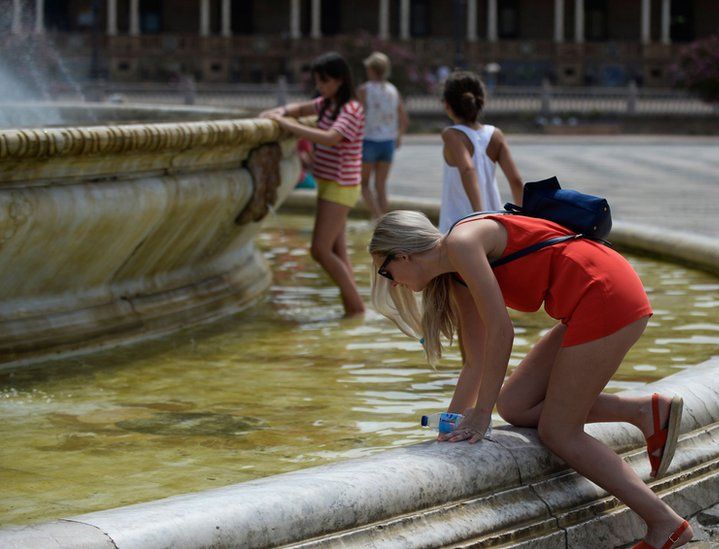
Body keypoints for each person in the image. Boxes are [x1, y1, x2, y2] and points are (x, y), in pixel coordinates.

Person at [368, 210, 693, 549]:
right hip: (587, 300)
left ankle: (665, 523)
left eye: (386, 271)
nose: (391, 282)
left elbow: (502, 332)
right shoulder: (456, 273)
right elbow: (476, 360)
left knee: (559, 432)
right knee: (515, 404)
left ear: (402, 255)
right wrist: (450, 428)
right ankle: (642, 411)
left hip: (606, 294)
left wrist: (481, 414)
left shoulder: (462, 244)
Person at [260, 52, 366, 317]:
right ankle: (352, 310)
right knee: (338, 251)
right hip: (330, 183)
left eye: (324, 81)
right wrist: (280, 111)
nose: (319, 86)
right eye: (317, 81)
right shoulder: (327, 104)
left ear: (340, 80)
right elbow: (300, 108)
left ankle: (357, 307)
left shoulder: (351, 109)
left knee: (319, 250)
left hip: (341, 186)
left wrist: (287, 125)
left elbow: (331, 138)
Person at [438, 71, 523, 233]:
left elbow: (468, 169)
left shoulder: (451, 134)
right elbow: (516, 180)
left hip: (460, 225)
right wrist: (523, 217)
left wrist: (478, 216)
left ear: (447, 105)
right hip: (495, 223)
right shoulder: (495, 134)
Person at [357, 51, 409, 219]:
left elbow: (356, 115)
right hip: (388, 142)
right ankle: (386, 223)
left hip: (369, 140)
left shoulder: (365, 90)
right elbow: (404, 118)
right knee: (381, 185)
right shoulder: (393, 90)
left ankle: (377, 216)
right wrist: (399, 136)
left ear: (371, 70)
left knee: (364, 184)